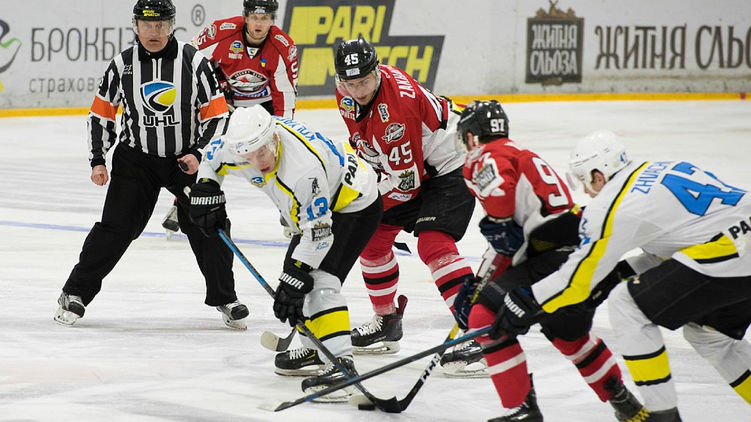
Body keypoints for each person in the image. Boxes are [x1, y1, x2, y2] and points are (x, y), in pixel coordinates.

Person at [493, 130, 751, 421]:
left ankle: (663, 417)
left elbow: (576, 282)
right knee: (710, 337)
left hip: (734, 250)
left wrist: (528, 300)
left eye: (584, 180)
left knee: (626, 305)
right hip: (738, 243)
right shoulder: (661, 168)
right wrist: (619, 273)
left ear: (598, 175)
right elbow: (684, 242)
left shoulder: (613, 204)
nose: (586, 191)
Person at [54, 0, 249, 330]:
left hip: (185, 160)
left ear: (171, 26)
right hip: (136, 161)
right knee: (116, 229)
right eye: (147, 25)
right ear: (136, 26)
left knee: (210, 224)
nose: (154, 31)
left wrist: (199, 153)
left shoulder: (194, 62)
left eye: (161, 24)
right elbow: (102, 114)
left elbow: (217, 116)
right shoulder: (122, 64)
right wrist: (98, 159)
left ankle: (226, 298)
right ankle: (74, 293)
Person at [453, 101, 645, 422]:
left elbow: (506, 231)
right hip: (575, 256)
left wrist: (482, 281)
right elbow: (515, 234)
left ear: (472, 137)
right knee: (569, 336)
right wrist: (482, 278)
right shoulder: (521, 153)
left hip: (547, 258)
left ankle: (522, 409)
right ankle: (625, 403)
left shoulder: (486, 156)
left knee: (484, 316)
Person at [189, 105, 382, 398]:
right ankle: (317, 348)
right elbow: (211, 160)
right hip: (318, 206)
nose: (258, 163)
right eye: (249, 157)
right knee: (295, 282)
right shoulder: (239, 144)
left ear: (274, 138)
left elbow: (319, 235)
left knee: (317, 281)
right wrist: (207, 188)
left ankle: (341, 365)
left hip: (354, 203)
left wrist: (298, 275)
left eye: (262, 153)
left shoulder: (303, 170)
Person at [326, 36, 482, 373]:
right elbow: (367, 144)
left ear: (377, 70)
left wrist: (357, 205)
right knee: (372, 237)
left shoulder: (397, 109)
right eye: (350, 83)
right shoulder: (346, 93)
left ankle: (479, 334)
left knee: (434, 244)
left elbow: (407, 186)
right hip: (414, 167)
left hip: (452, 164)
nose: (358, 90)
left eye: (364, 81)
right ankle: (386, 322)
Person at [162, 0, 298, 236]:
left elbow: (285, 95)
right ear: (245, 17)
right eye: (254, 18)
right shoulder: (222, 33)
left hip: (263, 107)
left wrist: (282, 130)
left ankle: (290, 207)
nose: (259, 24)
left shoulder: (283, 46)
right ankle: (183, 203)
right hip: (224, 101)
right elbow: (188, 62)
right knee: (207, 151)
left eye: (265, 18)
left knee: (279, 151)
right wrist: (214, 95)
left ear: (272, 20)